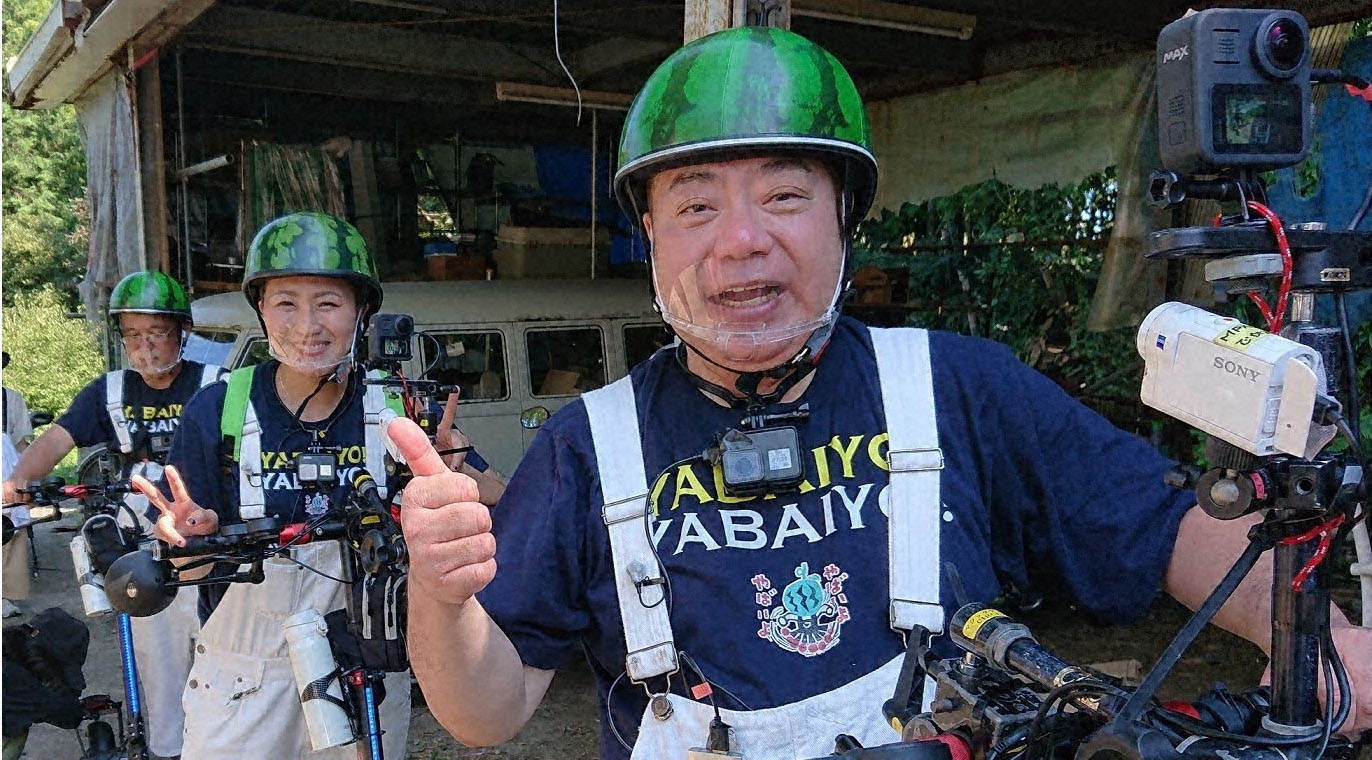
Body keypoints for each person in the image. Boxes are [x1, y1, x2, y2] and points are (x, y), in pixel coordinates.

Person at [390, 26, 1371, 760]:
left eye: (783, 195)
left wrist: (1328, 642)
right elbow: (485, 711)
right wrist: (440, 598)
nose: (741, 240)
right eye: (695, 207)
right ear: (648, 239)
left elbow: (1163, 528)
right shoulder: (585, 448)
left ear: (843, 221)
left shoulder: (959, 386)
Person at [136, 212, 505, 760]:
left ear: (361, 313)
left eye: (329, 303)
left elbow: (495, 491)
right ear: (260, 309)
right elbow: (187, 563)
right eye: (286, 302)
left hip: (367, 658)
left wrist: (450, 463)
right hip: (245, 676)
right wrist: (191, 540)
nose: (308, 325)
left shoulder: (394, 403)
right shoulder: (220, 409)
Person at [2, 270, 223, 758]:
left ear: (182, 332)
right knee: (159, 660)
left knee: (223, 654)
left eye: (157, 334)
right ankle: (166, 749)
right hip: (142, 546)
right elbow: (57, 439)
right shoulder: (108, 390)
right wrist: (17, 481)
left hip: (207, 539)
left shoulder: (216, 384)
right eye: (133, 336)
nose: (145, 348)